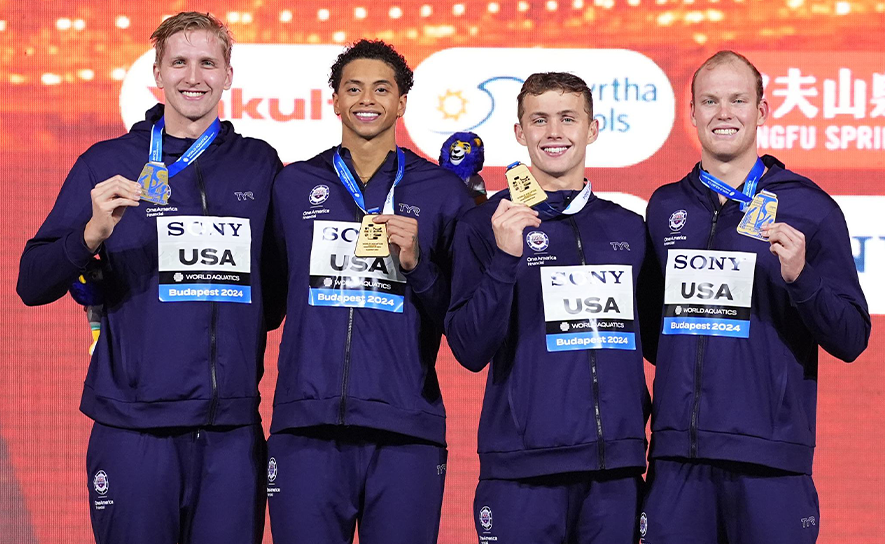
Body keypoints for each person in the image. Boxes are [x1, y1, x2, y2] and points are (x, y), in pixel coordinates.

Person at [17, 12, 282, 544]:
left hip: (230, 428)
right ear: (156, 74)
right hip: (133, 425)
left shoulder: (259, 163)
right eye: (178, 62)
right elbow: (33, 282)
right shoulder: (107, 162)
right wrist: (90, 232)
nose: (193, 76)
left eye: (208, 62)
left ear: (229, 74)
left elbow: (273, 293)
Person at [640, 50, 870, 544]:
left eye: (738, 100)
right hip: (679, 458)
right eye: (711, 101)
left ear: (762, 111)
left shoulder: (810, 207)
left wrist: (801, 278)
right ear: (694, 112)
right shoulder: (665, 207)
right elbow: (654, 334)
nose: (724, 113)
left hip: (771, 460)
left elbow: (852, 337)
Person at [264, 39, 473, 544]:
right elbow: (267, 299)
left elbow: (461, 321)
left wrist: (418, 266)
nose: (367, 99)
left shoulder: (443, 193)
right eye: (353, 88)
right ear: (333, 100)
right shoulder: (293, 185)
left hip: (406, 427)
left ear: (402, 103)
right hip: (306, 426)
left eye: (383, 89)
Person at [445, 72, 650, 544]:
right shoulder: (485, 225)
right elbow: (469, 349)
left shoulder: (629, 229)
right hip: (522, 470)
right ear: (519, 133)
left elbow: (658, 341)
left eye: (567, 119)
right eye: (539, 120)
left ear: (592, 129)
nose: (553, 132)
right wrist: (505, 258)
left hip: (614, 472)